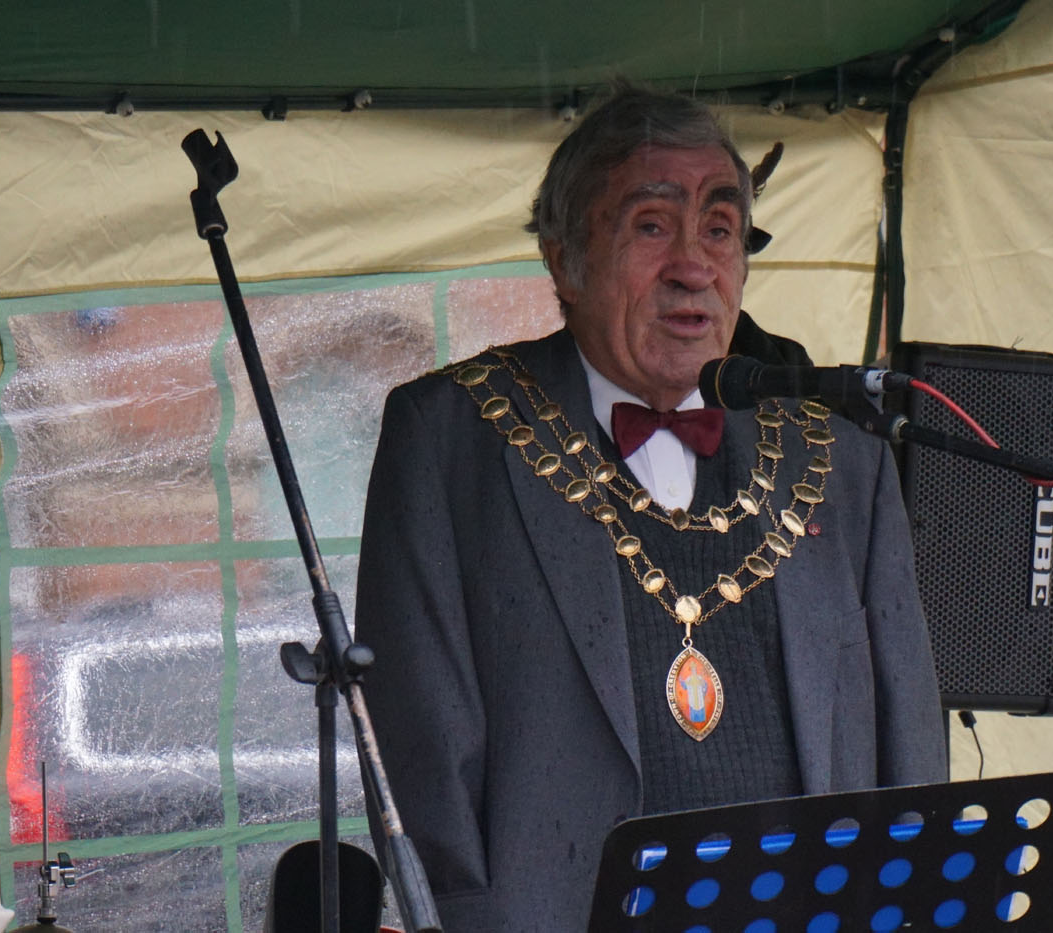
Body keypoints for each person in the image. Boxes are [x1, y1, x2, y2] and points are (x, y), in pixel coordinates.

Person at [354, 86, 946, 931]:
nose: (694, 265)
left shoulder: (840, 457)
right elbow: (419, 749)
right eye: (651, 225)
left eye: (720, 227)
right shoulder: (454, 437)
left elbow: (909, 739)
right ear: (563, 261)